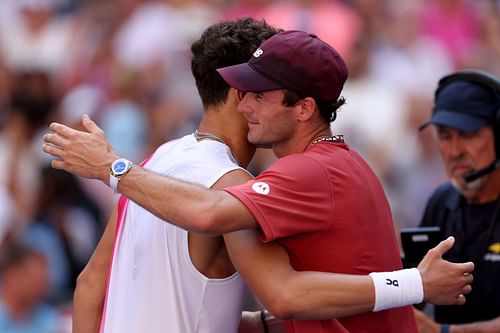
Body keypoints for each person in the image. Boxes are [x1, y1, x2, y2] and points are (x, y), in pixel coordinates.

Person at [43, 30, 474, 333]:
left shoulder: (304, 170)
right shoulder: (337, 166)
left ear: (304, 108)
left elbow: (216, 222)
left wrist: (111, 167)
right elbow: (300, 301)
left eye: (258, 94)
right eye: (243, 90)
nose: (243, 103)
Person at [415, 69, 500, 332]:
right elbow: (410, 297)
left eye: (468, 135)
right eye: (445, 136)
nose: (454, 151)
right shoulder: (441, 202)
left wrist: (444, 332)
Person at [0, 241, 62, 333]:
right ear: (11, 275)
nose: (43, 289)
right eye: (34, 280)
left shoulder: (48, 318)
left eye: (43, 282)